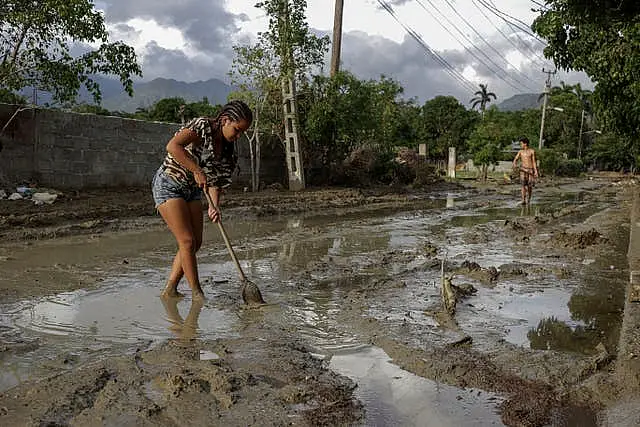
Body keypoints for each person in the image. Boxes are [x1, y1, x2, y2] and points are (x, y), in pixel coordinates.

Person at [152, 100, 253, 300]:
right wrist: (196, 169)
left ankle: (170, 288)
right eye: (237, 129)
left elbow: (216, 182)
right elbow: (173, 146)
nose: (238, 136)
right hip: (169, 183)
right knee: (187, 241)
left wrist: (214, 206)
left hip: (193, 190)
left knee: (195, 243)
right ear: (225, 120)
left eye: (242, 132)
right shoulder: (202, 126)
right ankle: (197, 294)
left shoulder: (228, 150)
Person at [512, 137, 539, 205]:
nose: (521, 145)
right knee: (523, 185)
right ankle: (523, 200)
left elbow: (534, 162)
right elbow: (515, 159)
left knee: (529, 186)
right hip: (523, 170)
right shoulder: (520, 152)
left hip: (530, 170)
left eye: (521, 143)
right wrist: (514, 164)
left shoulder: (532, 151)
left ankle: (528, 199)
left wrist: (535, 171)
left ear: (525, 143)